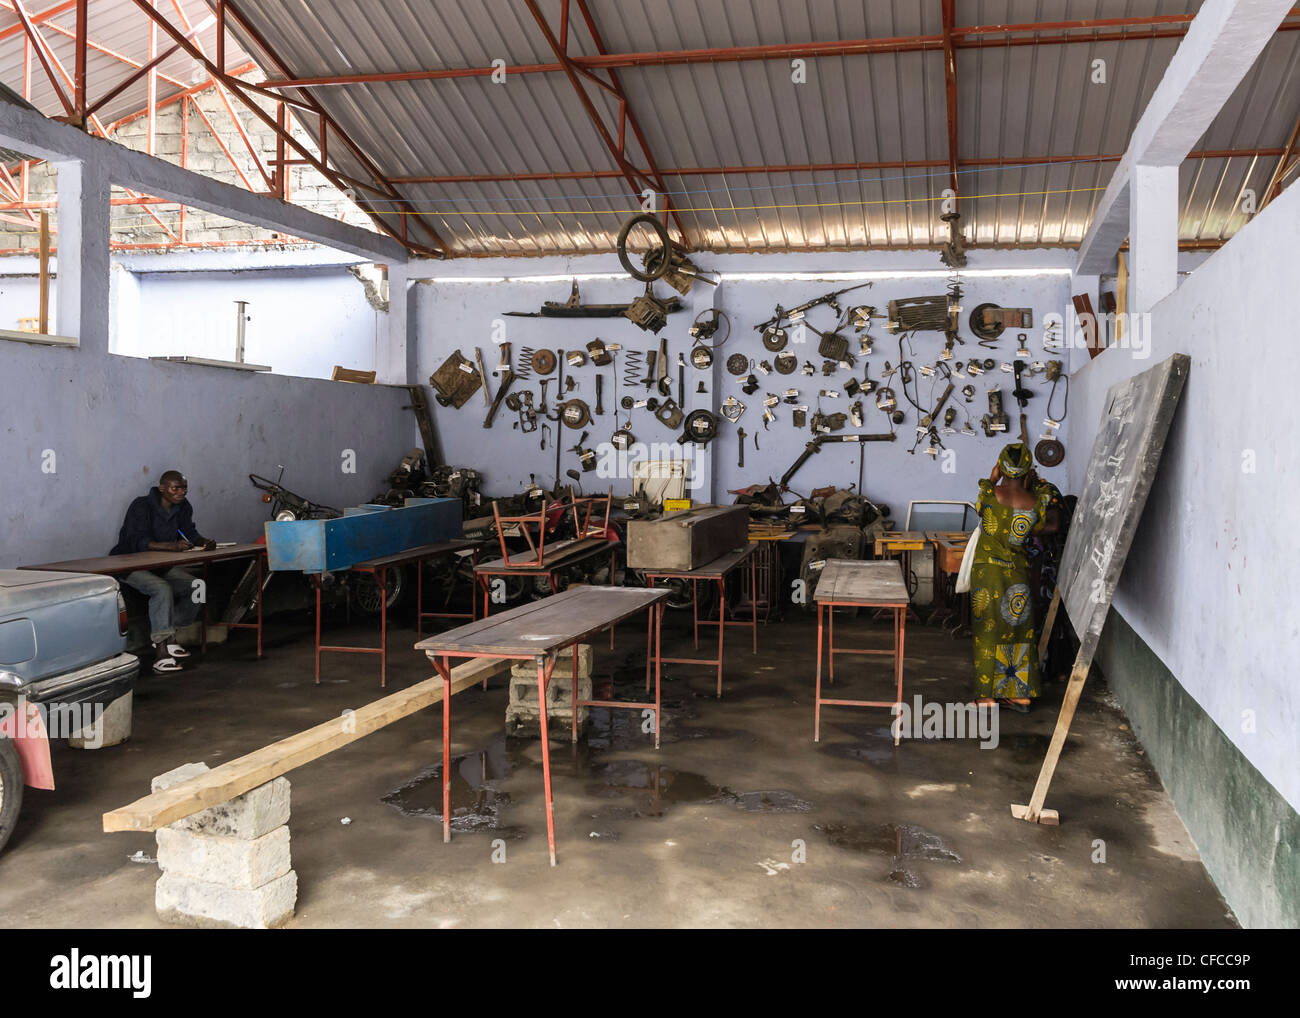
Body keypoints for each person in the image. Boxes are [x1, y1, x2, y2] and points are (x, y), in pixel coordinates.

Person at [970, 443, 1059, 711]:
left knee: (988, 631)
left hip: (987, 573)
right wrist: (1035, 482)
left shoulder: (988, 494)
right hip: (1017, 572)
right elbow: (1045, 522)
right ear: (1028, 469)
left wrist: (994, 475)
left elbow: (983, 495)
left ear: (1001, 465)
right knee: (1018, 630)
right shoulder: (1037, 503)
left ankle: (987, 697)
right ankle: (1019, 693)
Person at [111, 470, 216, 674]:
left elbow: (190, 532)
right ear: (162, 489)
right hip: (130, 563)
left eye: (184, 488)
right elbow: (135, 541)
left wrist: (203, 542)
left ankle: (168, 634)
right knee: (162, 589)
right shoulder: (141, 506)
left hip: (161, 565)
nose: (181, 493)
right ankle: (161, 653)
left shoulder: (183, 507)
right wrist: (171, 547)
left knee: (197, 587)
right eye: (175, 488)